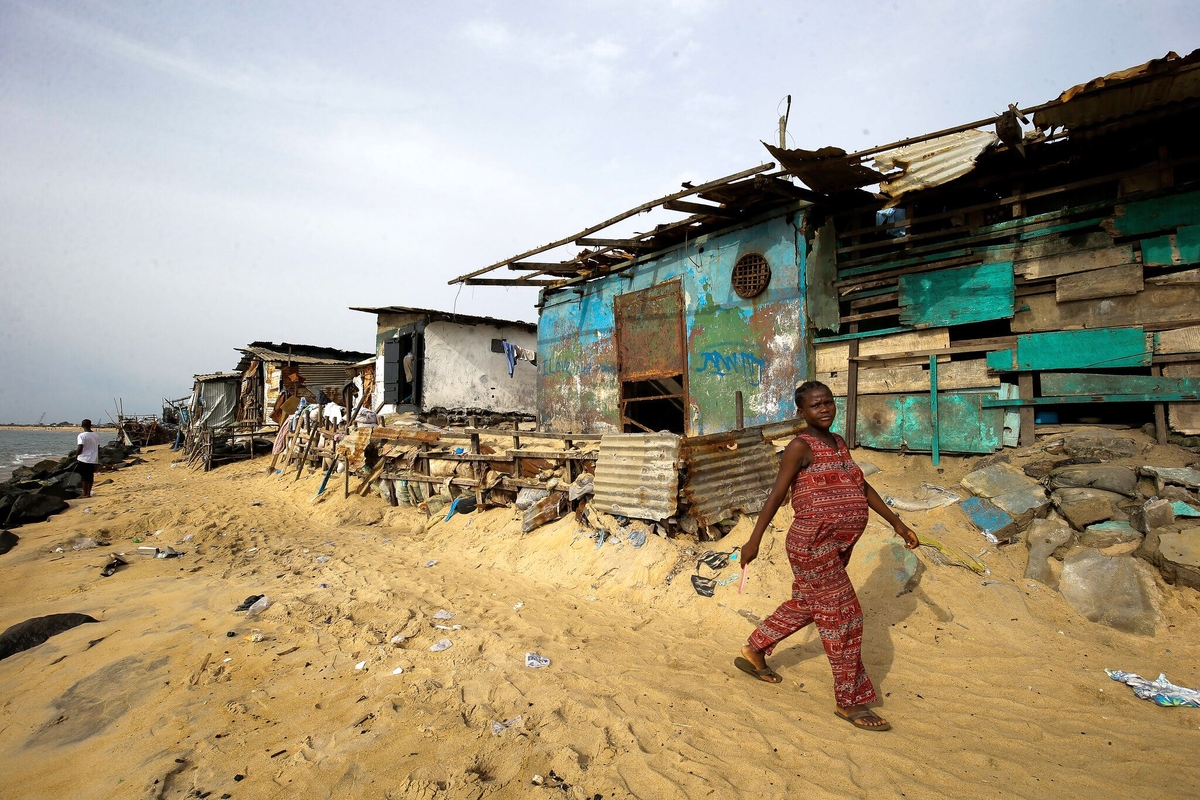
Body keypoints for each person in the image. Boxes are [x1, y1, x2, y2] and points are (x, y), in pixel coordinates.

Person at [735, 381, 919, 732]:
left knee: (807, 604)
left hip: (837, 546)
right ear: (801, 412)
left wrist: (897, 523)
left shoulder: (838, 444)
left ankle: (755, 649)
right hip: (812, 545)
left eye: (828, 403)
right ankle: (850, 702)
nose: (824, 409)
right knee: (845, 616)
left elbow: (860, 487)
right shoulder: (799, 447)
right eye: (816, 405)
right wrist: (754, 539)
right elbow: (776, 494)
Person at [75, 419, 101, 498]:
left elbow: (80, 447)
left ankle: (84, 493)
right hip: (93, 459)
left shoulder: (81, 435)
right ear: (91, 425)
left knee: (84, 477)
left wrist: (76, 456)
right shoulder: (96, 435)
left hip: (84, 458)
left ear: (82, 426)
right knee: (90, 476)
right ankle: (88, 493)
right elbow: (98, 447)